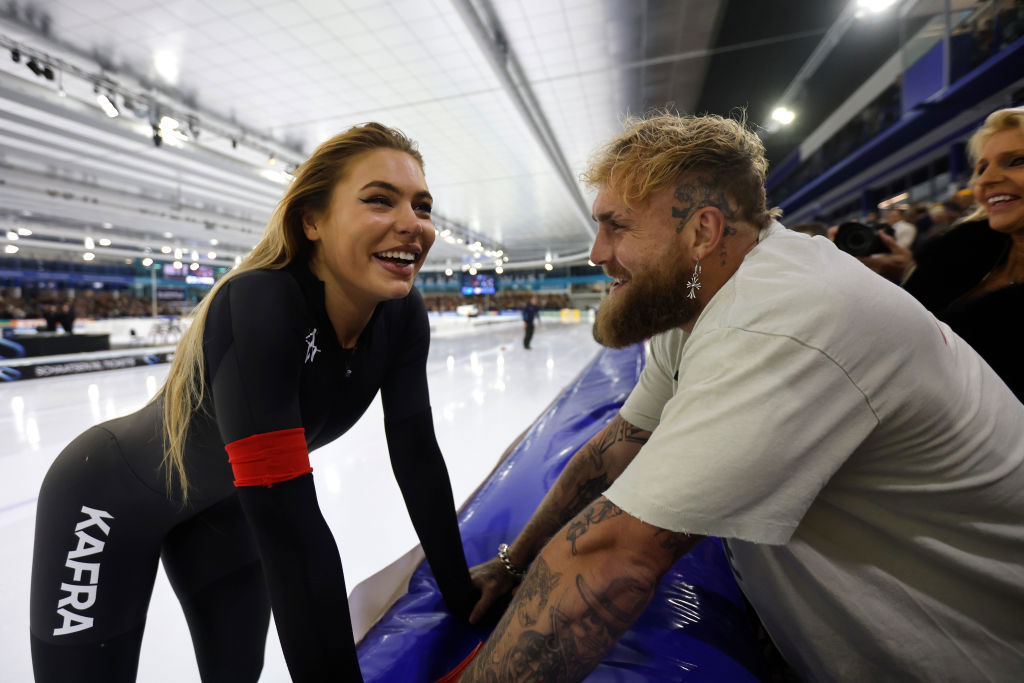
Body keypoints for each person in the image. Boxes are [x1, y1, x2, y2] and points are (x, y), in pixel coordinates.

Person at [459, 113, 1024, 681]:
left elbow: (613, 556)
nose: (597, 252)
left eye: (617, 226)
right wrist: (511, 565)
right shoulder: (701, 299)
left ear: (702, 232)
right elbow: (616, 450)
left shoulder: (779, 321)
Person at [30, 122, 479, 682]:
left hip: (225, 508)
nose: (413, 223)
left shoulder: (403, 316)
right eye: (380, 200)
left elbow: (417, 457)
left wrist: (465, 596)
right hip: (106, 502)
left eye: (423, 206)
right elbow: (291, 527)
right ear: (312, 220)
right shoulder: (260, 303)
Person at [857, 107, 1024, 401]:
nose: (985, 181)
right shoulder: (960, 249)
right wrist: (904, 277)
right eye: (982, 168)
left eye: (1017, 161)